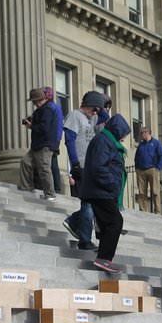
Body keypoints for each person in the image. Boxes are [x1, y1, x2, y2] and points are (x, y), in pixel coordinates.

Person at [79, 114, 131, 274]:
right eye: (123, 134)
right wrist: (112, 184)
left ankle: (103, 258)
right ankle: (104, 259)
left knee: (108, 223)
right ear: (117, 130)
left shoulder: (107, 141)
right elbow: (98, 167)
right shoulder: (103, 141)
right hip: (100, 191)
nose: (123, 138)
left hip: (102, 191)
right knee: (115, 221)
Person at [62, 91, 107, 250]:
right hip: (80, 166)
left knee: (93, 202)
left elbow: (104, 122)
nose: (95, 113)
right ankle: (84, 239)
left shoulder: (93, 118)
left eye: (97, 111)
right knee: (88, 203)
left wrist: (103, 107)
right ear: (88, 105)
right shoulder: (75, 116)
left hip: (92, 167)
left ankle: (74, 221)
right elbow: (69, 140)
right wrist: (74, 164)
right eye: (95, 109)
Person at [19, 87, 59, 200]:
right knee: (25, 162)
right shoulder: (41, 110)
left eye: (34, 101)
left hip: (45, 145)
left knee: (44, 169)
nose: (34, 104)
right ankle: (27, 187)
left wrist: (31, 126)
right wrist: (31, 121)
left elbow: (44, 128)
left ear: (38, 100)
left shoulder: (48, 110)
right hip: (37, 145)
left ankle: (50, 194)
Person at [134, 128, 162, 213]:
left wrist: (158, 168)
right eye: (141, 133)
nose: (141, 135)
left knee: (155, 191)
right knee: (141, 192)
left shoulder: (156, 143)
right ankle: (143, 210)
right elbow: (136, 157)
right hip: (141, 171)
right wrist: (137, 168)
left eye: (142, 133)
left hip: (152, 169)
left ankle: (157, 211)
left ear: (148, 133)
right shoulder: (141, 145)